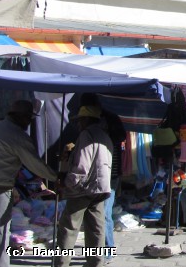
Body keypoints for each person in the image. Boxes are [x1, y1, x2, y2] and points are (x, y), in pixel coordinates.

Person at [0, 100, 57, 267]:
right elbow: (35, 164)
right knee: (0, 233)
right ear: (22, 117)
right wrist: (56, 177)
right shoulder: (17, 136)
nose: (29, 123)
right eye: (29, 119)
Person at [56, 105, 113, 267]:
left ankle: (61, 263)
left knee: (69, 228)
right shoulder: (104, 136)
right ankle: (96, 263)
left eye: (80, 120)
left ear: (86, 120)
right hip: (100, 188)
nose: (78, 124)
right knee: (96, 229)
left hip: (83, 189)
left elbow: (82, 166)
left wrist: (67, 184)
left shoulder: (86, 135)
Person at [80, 93, 125, 262]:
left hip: (108, 173)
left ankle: (106, 251)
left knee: (103, 213)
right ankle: (100, 250)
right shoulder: (105, 119)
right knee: (99, 214)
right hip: (104, 173)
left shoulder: (103, 121)